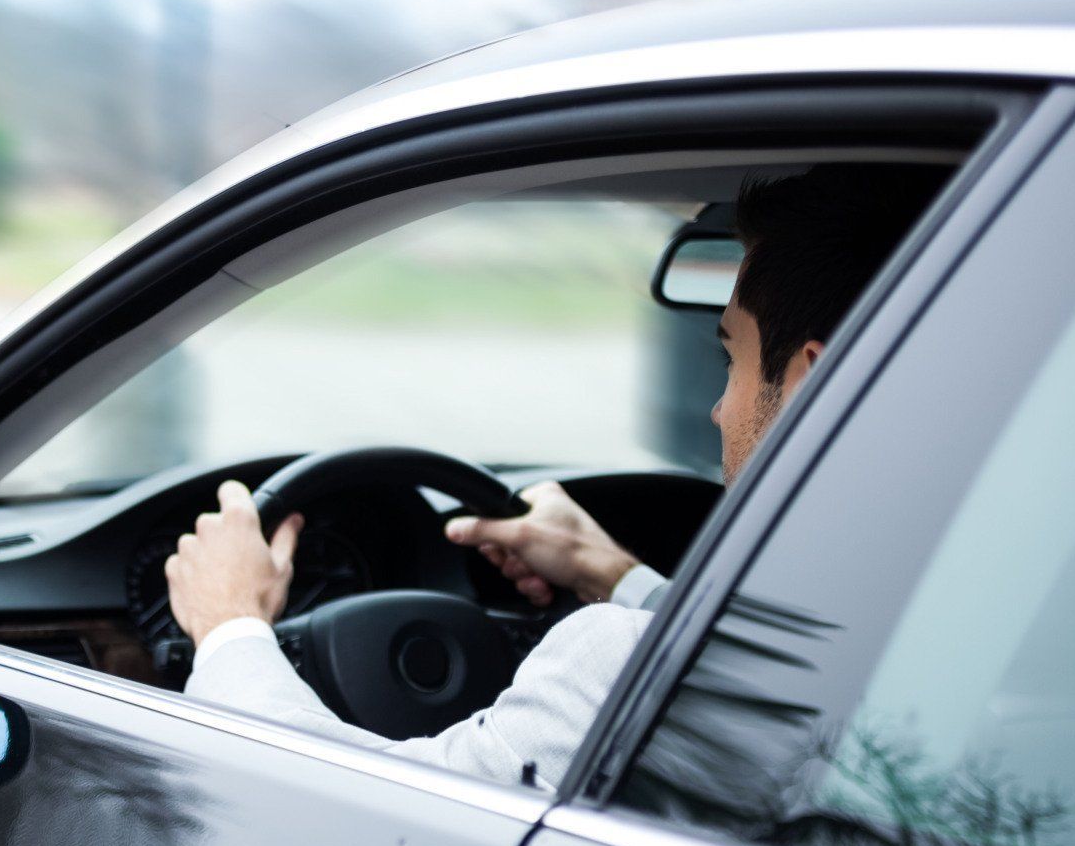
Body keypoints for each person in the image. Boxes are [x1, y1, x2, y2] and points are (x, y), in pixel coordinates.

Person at [166, 164, 947, 788]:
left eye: (730, 356)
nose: (717, 411)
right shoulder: (953, 631)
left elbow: (345, 815)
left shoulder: (615, 667)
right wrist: (610, 571)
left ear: (817, 384)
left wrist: (229, 624)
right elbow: (748, 674)